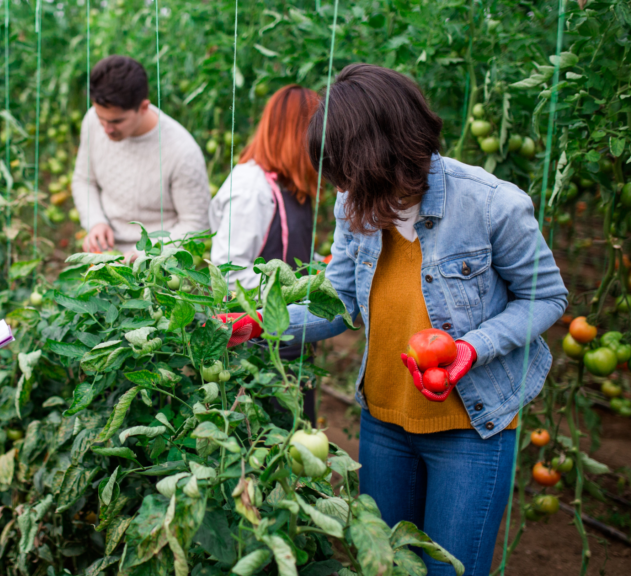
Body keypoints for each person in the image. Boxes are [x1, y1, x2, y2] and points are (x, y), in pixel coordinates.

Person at [219, 64, 567, 576]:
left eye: (347, 172)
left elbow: (546, 298)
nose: (341, 188)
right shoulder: (353, 203)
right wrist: (260, 324)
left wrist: (472, 348)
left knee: (448, 569)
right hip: (384, 423)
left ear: (383, 155)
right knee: (382, 566)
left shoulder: (492, 204)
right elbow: (338, 302)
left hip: (471, 427)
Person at [72, 55, 210, 256]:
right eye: (101, 118)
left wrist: (148, 254)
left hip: (160, 267)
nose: (106, 129)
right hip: (107, 255)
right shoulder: (92, 122)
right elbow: (84, 180)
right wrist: (95, 222)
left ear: (143, 107)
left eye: (116, 121)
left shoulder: (182, 152)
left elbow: (196, 225)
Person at [209, 85, 322, 290]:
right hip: (259, 317)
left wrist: (322, 264)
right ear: (301, 135)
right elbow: (229, 275)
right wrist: (294, 288)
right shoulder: (250, 189)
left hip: (288, 313)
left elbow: (293, 251)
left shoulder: (287, 182)